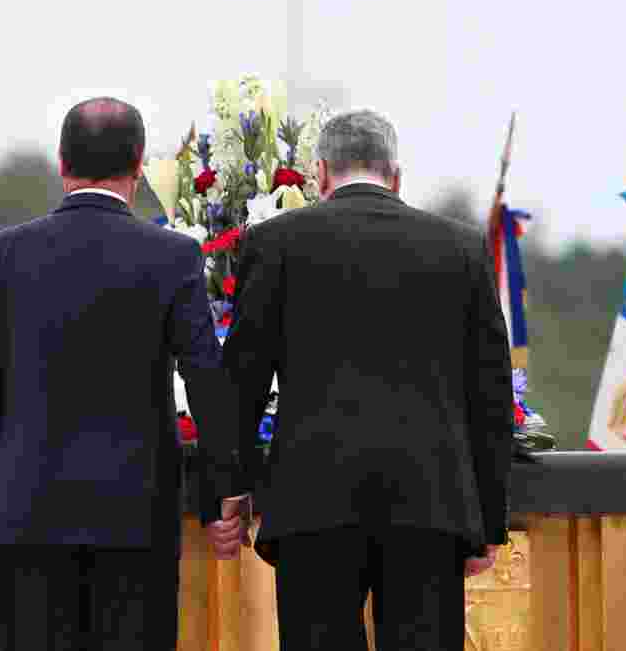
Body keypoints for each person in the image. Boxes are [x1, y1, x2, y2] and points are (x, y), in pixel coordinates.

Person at [215, 109, 514, 649]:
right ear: (395, 175)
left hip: (313, 506)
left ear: (321, 173)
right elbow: (489, 394)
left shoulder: (275, 242)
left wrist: (229, 486)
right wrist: (489, 520)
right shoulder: (461, 248)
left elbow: (242, 380)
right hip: (431, 506)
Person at [0, 96, 246, 651]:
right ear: (139, 164)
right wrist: (222, 492)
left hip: (27, 516)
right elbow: (207, 380)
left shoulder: (4, 255)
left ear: (61, 162)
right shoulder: (172, 256)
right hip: (137, 518)